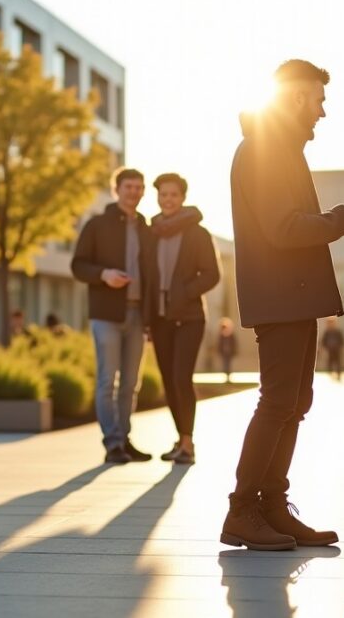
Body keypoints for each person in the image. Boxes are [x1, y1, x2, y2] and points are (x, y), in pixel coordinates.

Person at [222, 59, 344, 551]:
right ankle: (242, 511)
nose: (322, 112)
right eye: (318, 100)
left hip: (293, 298)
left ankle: (271, 507)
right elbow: (284, 228)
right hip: (279, 298)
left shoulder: (282, 150)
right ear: (293, 99)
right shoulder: (264, 151)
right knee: (277, 402)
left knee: (294, 403)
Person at [72, 167, 157, 465]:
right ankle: (112, 443)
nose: (133, 192)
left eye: (138, 187)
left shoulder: (147, 229)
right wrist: (104, 274)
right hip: (106, 314)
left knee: (131, 382)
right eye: (128, 186)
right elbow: (77, 266)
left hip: (137, 315)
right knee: (108, 380)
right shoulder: (97, 224)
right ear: (116, 189)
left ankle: (124, 438)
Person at [149, 172, 221, 466]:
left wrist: (183, 292)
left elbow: (212, 275)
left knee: (181, 377)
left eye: (173, 195)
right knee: (168, 381)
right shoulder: (150, 232)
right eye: (163, 194)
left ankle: (188, 444)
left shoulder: (197, 233)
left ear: (183, 197)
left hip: (189, 316)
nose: (168, 200)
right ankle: (180, 439)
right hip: (160, 318)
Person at [217, 318, 237, 382]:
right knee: (225, 364)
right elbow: (219, 345)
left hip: (229, 353)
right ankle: (226, 377)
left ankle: (228, 377)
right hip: (224, 353)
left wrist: (234, 351)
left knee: (228, 365)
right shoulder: (221, 336)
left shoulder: (231, 335)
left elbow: (234, 344)